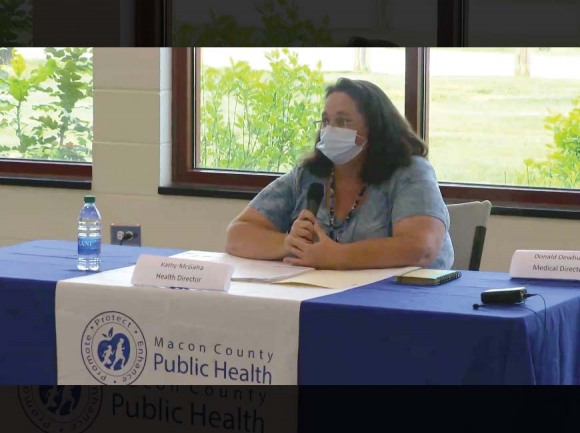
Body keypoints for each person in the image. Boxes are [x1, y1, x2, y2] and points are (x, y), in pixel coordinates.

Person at [225, 77, 454, 270]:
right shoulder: (308, 175)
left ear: (376, 129)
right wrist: (289, 244)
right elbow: (238, 234)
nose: (330, 130)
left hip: (406, 303)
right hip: (322, 299)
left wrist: (337, 256)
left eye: (343, 121)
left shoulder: (410, 172)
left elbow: (420, 248)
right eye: (326, 121)